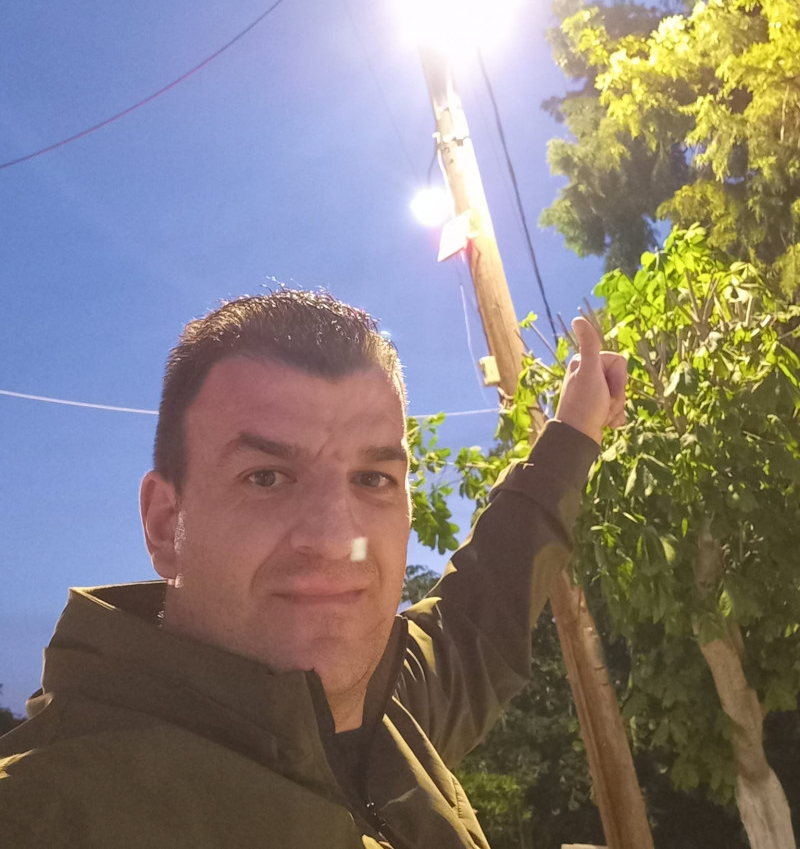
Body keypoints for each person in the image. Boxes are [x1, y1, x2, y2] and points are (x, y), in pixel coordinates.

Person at [0, 290, 626, 848]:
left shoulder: (384, 714)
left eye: (372, 479)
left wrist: (574, 432)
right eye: (266, 477)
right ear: (166, 523)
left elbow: (480, 616)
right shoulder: (45, 812)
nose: (335, 540)